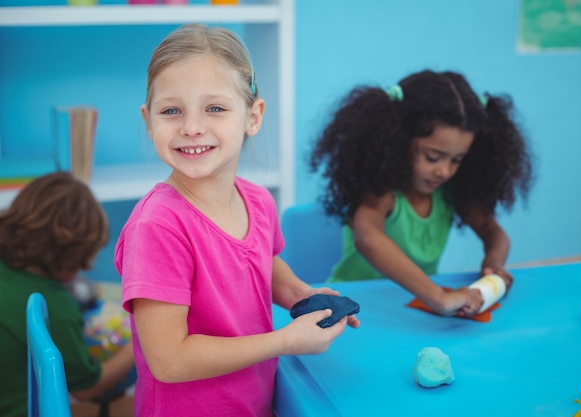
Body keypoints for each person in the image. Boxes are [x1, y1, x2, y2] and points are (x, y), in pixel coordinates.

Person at [114, 23, 359, 417]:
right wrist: (284, 341)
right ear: (148, 119)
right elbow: (169, 360)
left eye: (215, 108)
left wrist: (298, 294)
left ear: (253, 116)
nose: (191, 127)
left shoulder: (258, 202)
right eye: (171, 110)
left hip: (253, 403)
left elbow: (262, 263)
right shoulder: (156, 226)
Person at [310, 70, 533, 318]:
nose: (444, 171)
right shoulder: (383, 192)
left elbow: (496, 234)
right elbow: (368, 237)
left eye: (457, 160)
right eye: (433, 157)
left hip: (413, 307)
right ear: (399, 140)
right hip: (354, 307)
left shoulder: (451, 193)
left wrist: (494, 265)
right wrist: (438, 297)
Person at [0, 172, 135, 417]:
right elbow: (88, 388)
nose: (89, 267)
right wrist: (137, 345)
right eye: (85, 256)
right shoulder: (53, 307)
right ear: (67, 252)